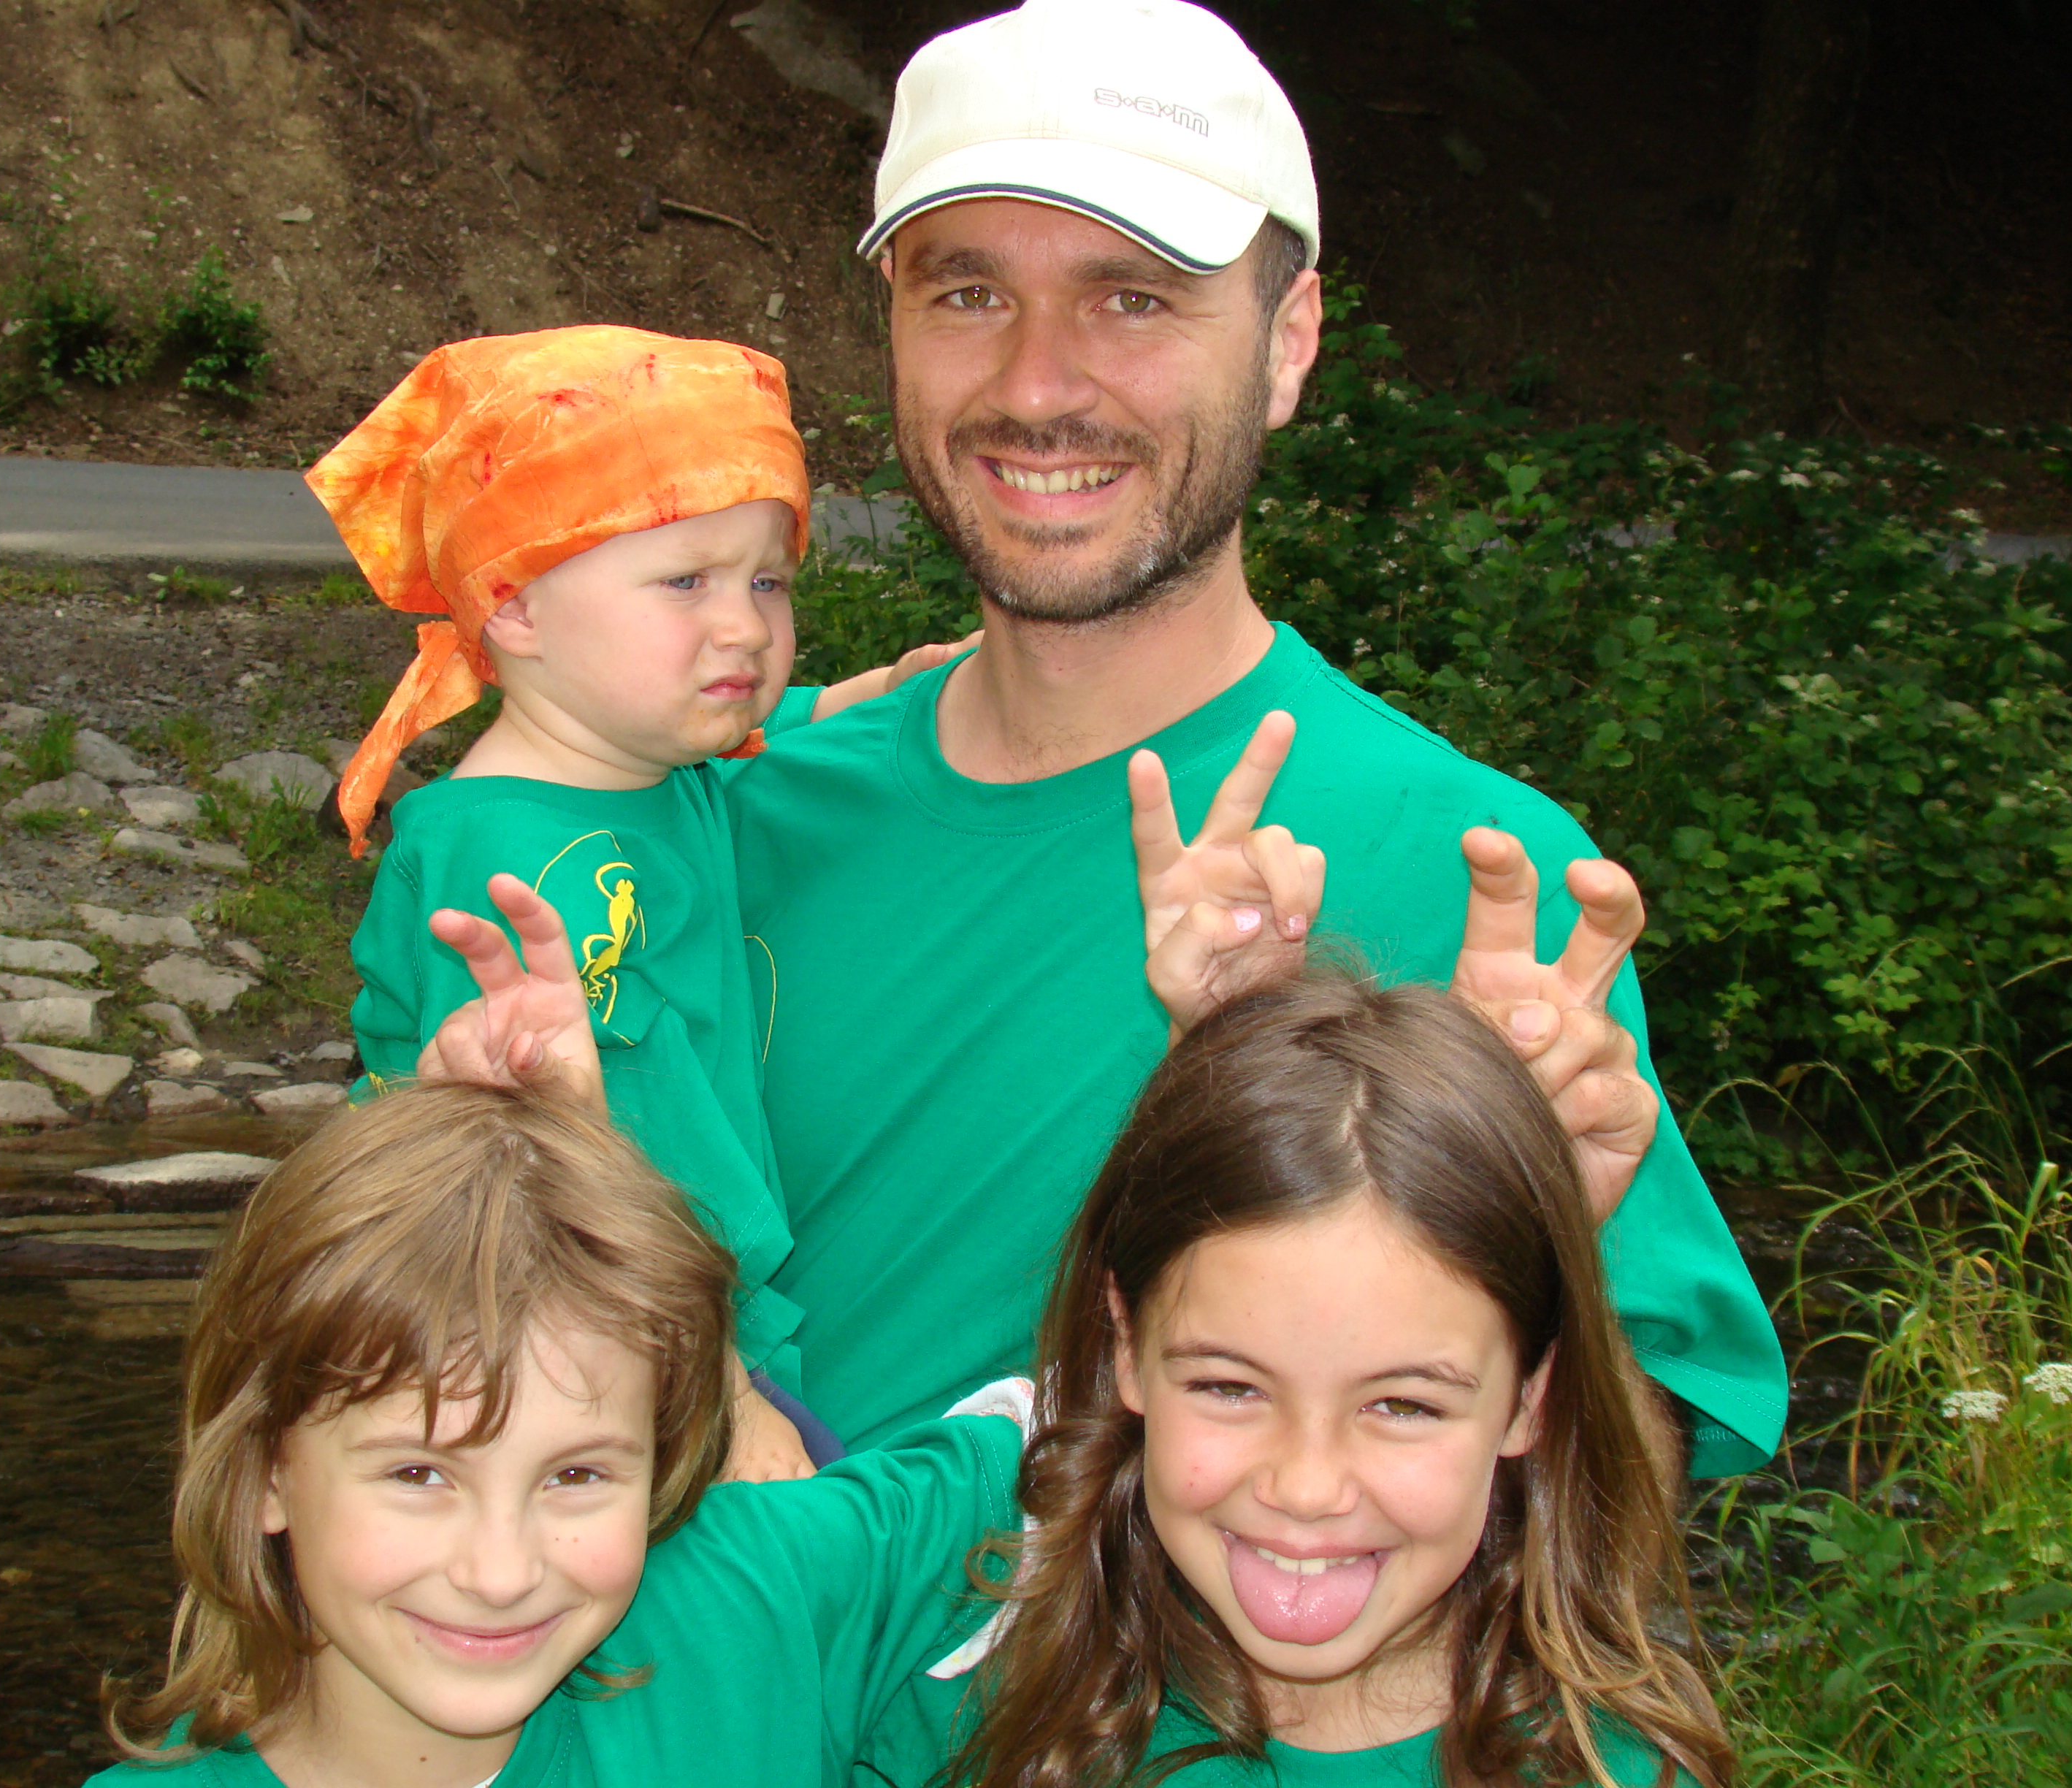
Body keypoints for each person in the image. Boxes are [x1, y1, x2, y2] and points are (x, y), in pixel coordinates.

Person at [722, 0, 1787, 1475]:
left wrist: (1538, 1247)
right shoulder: (728, 812)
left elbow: (1640, 1466)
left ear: (1289, 345)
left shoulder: (1471, 875)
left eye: (1132, 299)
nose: (1034, 386)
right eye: (965, 292)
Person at [312, 325, 956, 1480]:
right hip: (586, 1347)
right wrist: (721, 1386)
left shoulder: (651, 763)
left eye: (767, 580)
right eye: (685, 582)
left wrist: (881, 693)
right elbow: (567, 1173)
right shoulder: (522, 868)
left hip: (685, 1316)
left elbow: (776, 722)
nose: (745, 627)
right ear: (514, 606)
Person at [871, 976, 1733, 1788]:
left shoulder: (1623, 1769)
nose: (1307, 1488)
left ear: (1530, 1397)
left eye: (1403, 1405)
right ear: (1127, 1346)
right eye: (1230, 1389)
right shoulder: (954, 1688)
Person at [91, 1080, 1025, 1788]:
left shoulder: (749, 1602)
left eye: (576, 1476)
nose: (501, 1574)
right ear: (264, 1470)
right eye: (418, 1474)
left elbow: (1068, 1454)